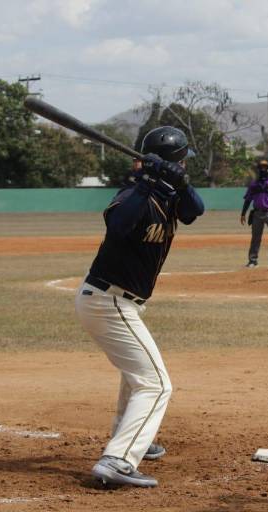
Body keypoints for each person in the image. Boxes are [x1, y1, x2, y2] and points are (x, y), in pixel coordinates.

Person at [74, 126, 205, 488]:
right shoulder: (136, 193)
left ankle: (132, 436)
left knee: (137, 375)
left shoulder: (169, 194)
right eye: (182, 164)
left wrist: (177, 181)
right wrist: (147, 180)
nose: (185, 168)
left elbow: (196, 210)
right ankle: (118, 459)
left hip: (115, 301)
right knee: (157, 383)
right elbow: (118, 225)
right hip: (107, 300)